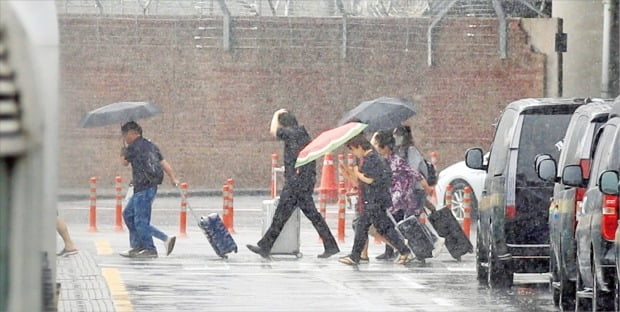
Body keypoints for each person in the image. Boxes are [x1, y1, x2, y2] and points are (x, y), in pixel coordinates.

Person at [247, 109, 340, 259]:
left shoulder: (289, 133)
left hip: (295, 183)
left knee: (284, 215)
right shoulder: (302, 133)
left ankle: (265, 246)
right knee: (297, 215)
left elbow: (273, 131)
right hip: (305, 180)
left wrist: (276, 113)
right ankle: (330, 245)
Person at [338, 133, 412, 265]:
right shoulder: (371, 159)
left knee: (365, 226)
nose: (354, 153)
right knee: (382, 227)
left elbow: (370, 179)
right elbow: (360, 182)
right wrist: (349, 174)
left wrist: (357, 173)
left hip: (374, 200)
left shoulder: (373, 159)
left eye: (354, 150)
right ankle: (404, 250)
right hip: (373, 200)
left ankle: (355, 256)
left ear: (359, 147)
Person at [119, 121, 179, 258]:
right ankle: (137, 246)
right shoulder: (151, 145)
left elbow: (124, 163)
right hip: (148, 187)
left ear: (134, 133)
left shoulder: (133, 147)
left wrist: (123, 151)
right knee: (128, 215)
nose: (124, 138)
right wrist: (173, 177)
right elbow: (163, 163)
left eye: (125, 135)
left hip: (144, 187)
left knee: (140, 221)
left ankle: (155, 246)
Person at [370, 130, 432, 260]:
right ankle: (396, 250)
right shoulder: (382, 161)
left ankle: (414, 249)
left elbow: (414, 172)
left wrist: (425, 186)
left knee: (396, 224)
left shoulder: (396, 160)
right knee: (393, 224)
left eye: (376, 144)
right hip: (392, 196)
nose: (374, 146)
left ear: (385, 147)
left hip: (401, 197)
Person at [393, 125, 444, 254]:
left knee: (410, 219)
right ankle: (422, 247)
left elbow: (413, 170)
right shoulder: (402, 151)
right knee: (411, 219)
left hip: (417, 189)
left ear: (403, 136)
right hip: (412, 191)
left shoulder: (411, 150)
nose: (395, 138)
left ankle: (434, 240)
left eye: (397, 135)